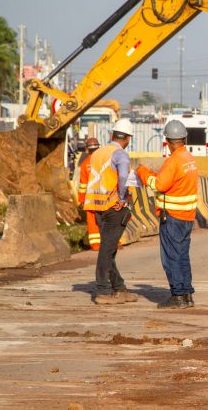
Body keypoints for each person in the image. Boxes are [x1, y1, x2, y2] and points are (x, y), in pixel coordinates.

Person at [137, 120, 199, 309]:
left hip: (173, 217)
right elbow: (171, 182)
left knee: (171, 257)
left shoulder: (173, 161)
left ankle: (178, 296)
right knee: (182, 256)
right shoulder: (189, 159)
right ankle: (187, 294)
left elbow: (159, 185)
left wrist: (143, 172)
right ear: (184, 138)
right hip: (187, 216)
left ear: (168, 140)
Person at [84, 119, 138, 305]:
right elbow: (123, 176)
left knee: (109, 249)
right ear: (128, 138)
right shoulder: (120, 154)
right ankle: (103, 290)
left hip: (97, 206)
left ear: (112, 135)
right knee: (107, 249)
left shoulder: (98, 153)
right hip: (112, 206)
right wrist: (122, 199)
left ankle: (119, 288)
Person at [77, 137, 102, 251]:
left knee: (92, 222)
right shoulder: (104, 161)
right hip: (105, 197)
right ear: (98, 147)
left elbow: (83, 185)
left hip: (91, 199)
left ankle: (96, 245)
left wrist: (81, 200)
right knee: (109, 221)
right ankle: (115, 243)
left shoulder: (85, 164)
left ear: (87, 149)